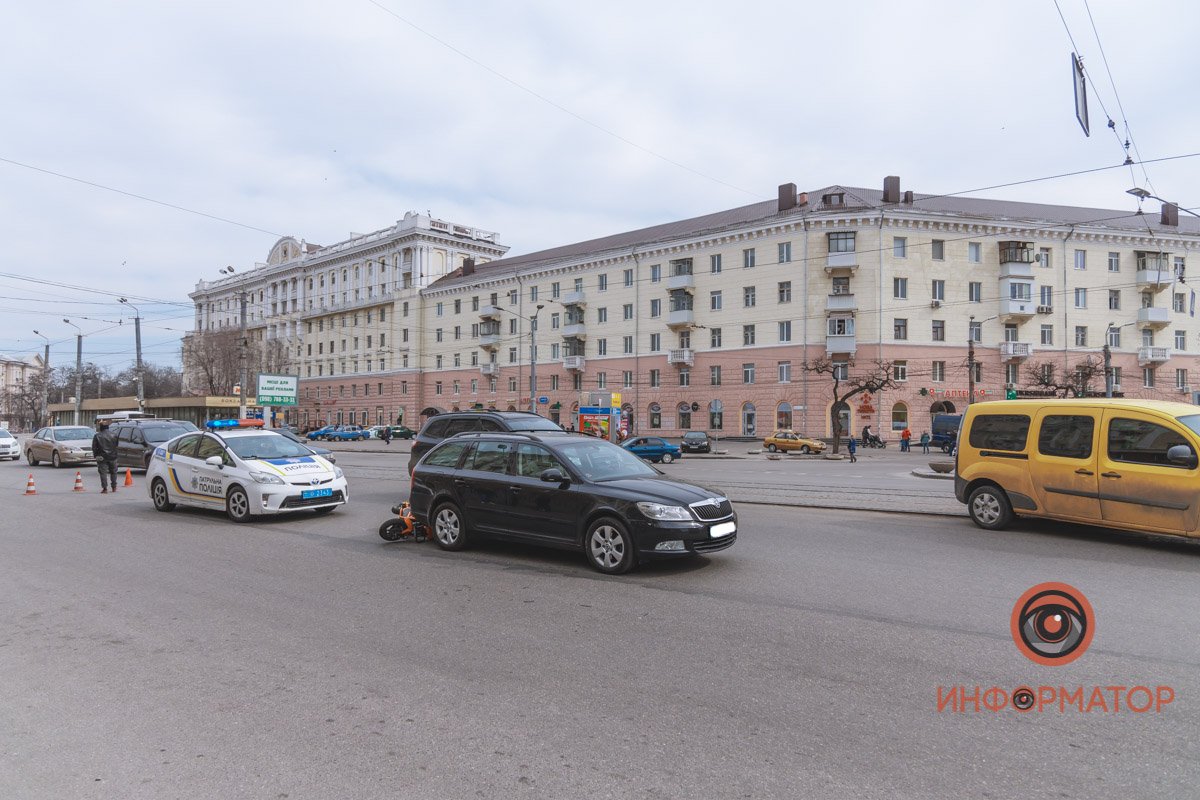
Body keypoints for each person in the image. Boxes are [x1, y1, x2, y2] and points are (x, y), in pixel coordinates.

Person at [91, 420, 119, 494]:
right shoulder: (114, 435)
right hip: (113, 456)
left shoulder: (97, 436)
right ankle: (114, 487)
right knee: (113, 472)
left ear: (101, 428)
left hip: (102, 457)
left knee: (103, 473)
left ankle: (105, 488)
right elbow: (116, 445)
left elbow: (94, 447)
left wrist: (96, 456)